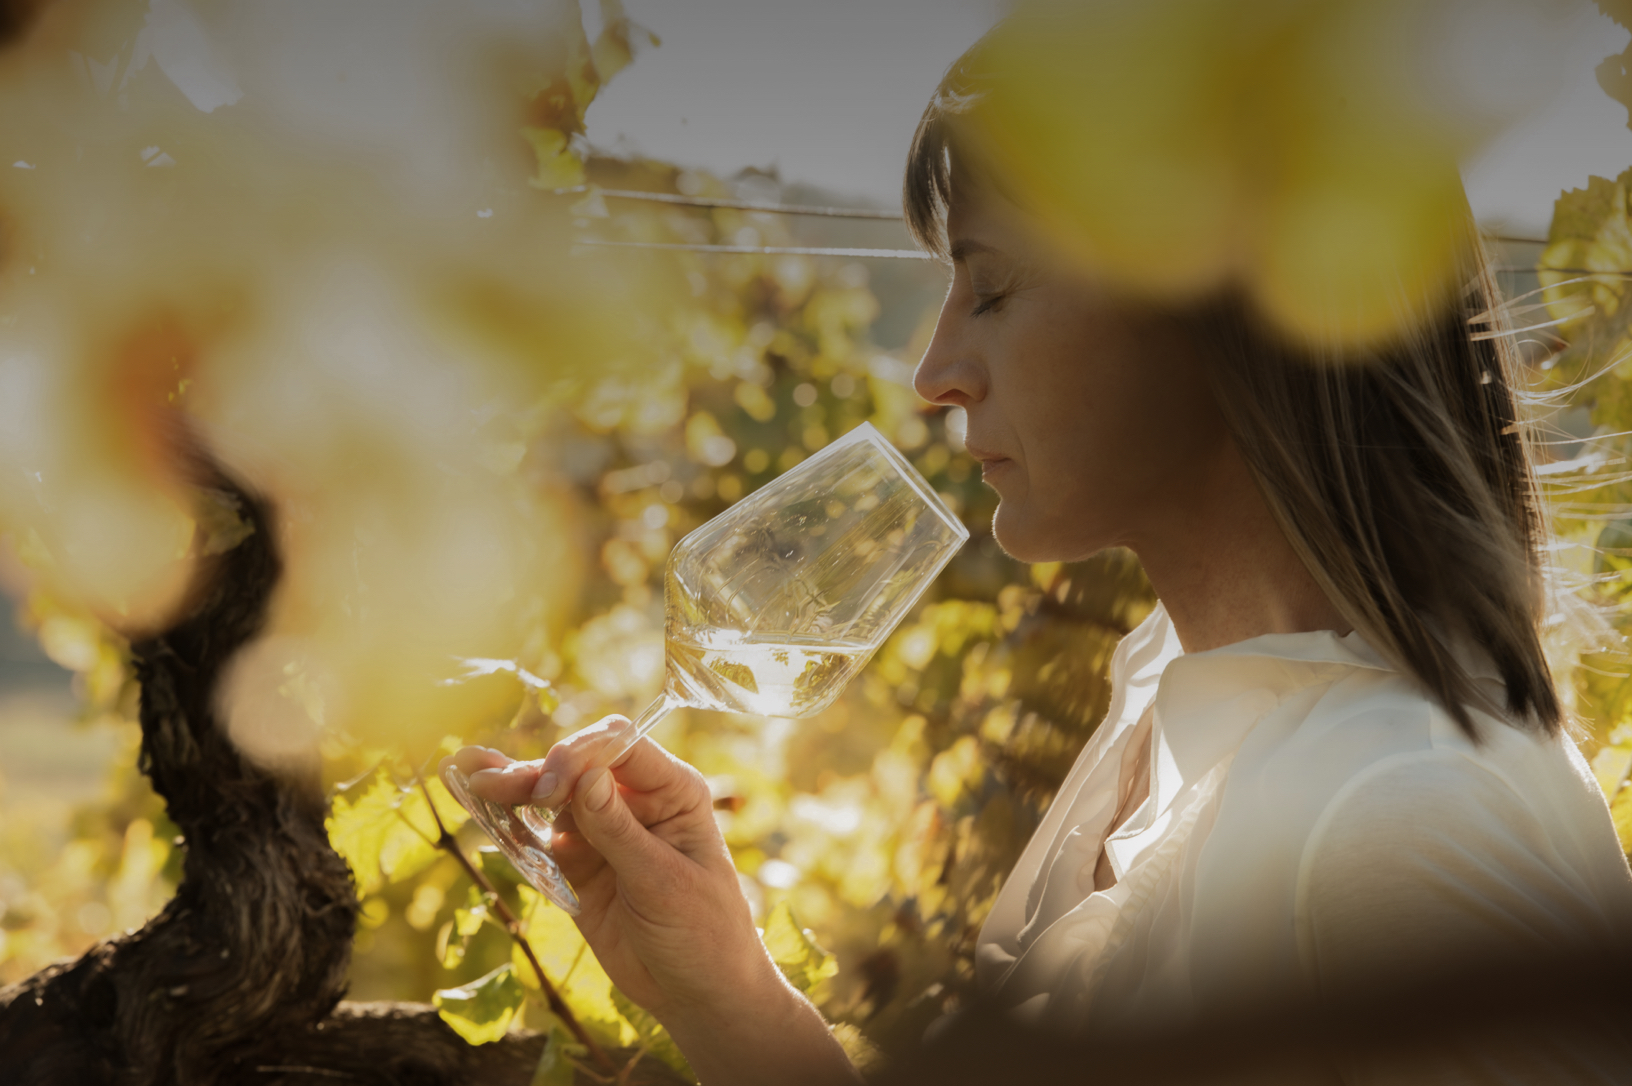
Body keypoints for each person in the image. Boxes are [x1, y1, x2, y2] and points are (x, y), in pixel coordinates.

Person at [451, 18, 1632, 1086]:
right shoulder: (1173, 691)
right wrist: (727, 993)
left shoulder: (1408, 820)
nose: (934, 373)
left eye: (996, 287)